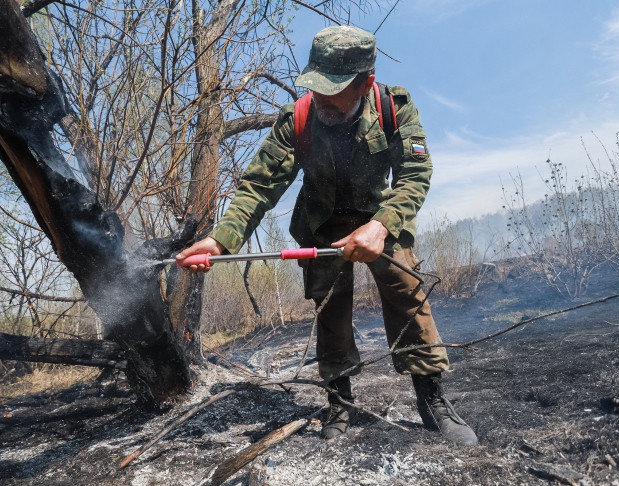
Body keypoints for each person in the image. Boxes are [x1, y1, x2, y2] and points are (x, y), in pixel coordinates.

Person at [177, 26, 477, 446]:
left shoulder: (394, 107)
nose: (321, 100)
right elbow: (258, 187)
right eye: (316, 87)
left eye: (332, 91)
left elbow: (415, 174)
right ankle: (340, 399)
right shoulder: (297, 118)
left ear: (364, 83)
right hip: (319, 226)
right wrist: (220, 241)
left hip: (379, 218)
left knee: (407, 291)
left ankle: (432, 397)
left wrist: (382, 224)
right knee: (329, 309)